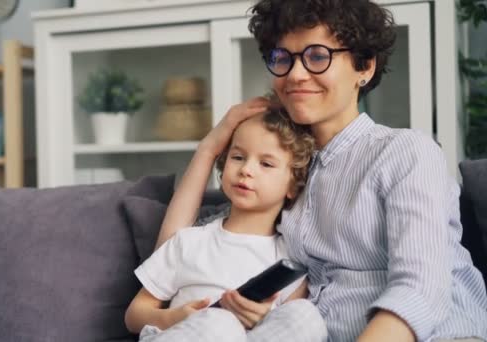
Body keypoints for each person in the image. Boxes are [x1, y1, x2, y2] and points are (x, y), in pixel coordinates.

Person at [155, 0, 487, 341]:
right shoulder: (284, 170)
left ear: (365, 67)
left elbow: (419, 291)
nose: (296, 74)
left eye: (318, 56)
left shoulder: (406, 152)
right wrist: (210, 147)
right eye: (283, 58)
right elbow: (177, 252)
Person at [125, 110, 328, 342]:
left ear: (294, 185)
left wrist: (264, 318)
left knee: (306, 315)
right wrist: (175, 318)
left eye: (266, 164)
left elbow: (288, 328)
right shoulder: (189, 241)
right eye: (238, 157)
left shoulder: (289, 260)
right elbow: (134, 315)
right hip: (183, 335)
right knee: (220, 323)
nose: (246, 170)